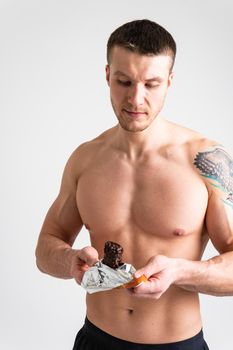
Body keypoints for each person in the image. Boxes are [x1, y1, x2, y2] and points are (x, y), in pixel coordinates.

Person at [35, 19, 233, 350]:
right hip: (95, 339)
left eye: (151, 84)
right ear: (107, 75)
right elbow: (45, 247)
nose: (136, 99)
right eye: (124, 81)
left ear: (169, 82)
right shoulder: (86, 159)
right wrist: (69, 261)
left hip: (177, 345)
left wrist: (178, 272)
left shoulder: (208, 162)